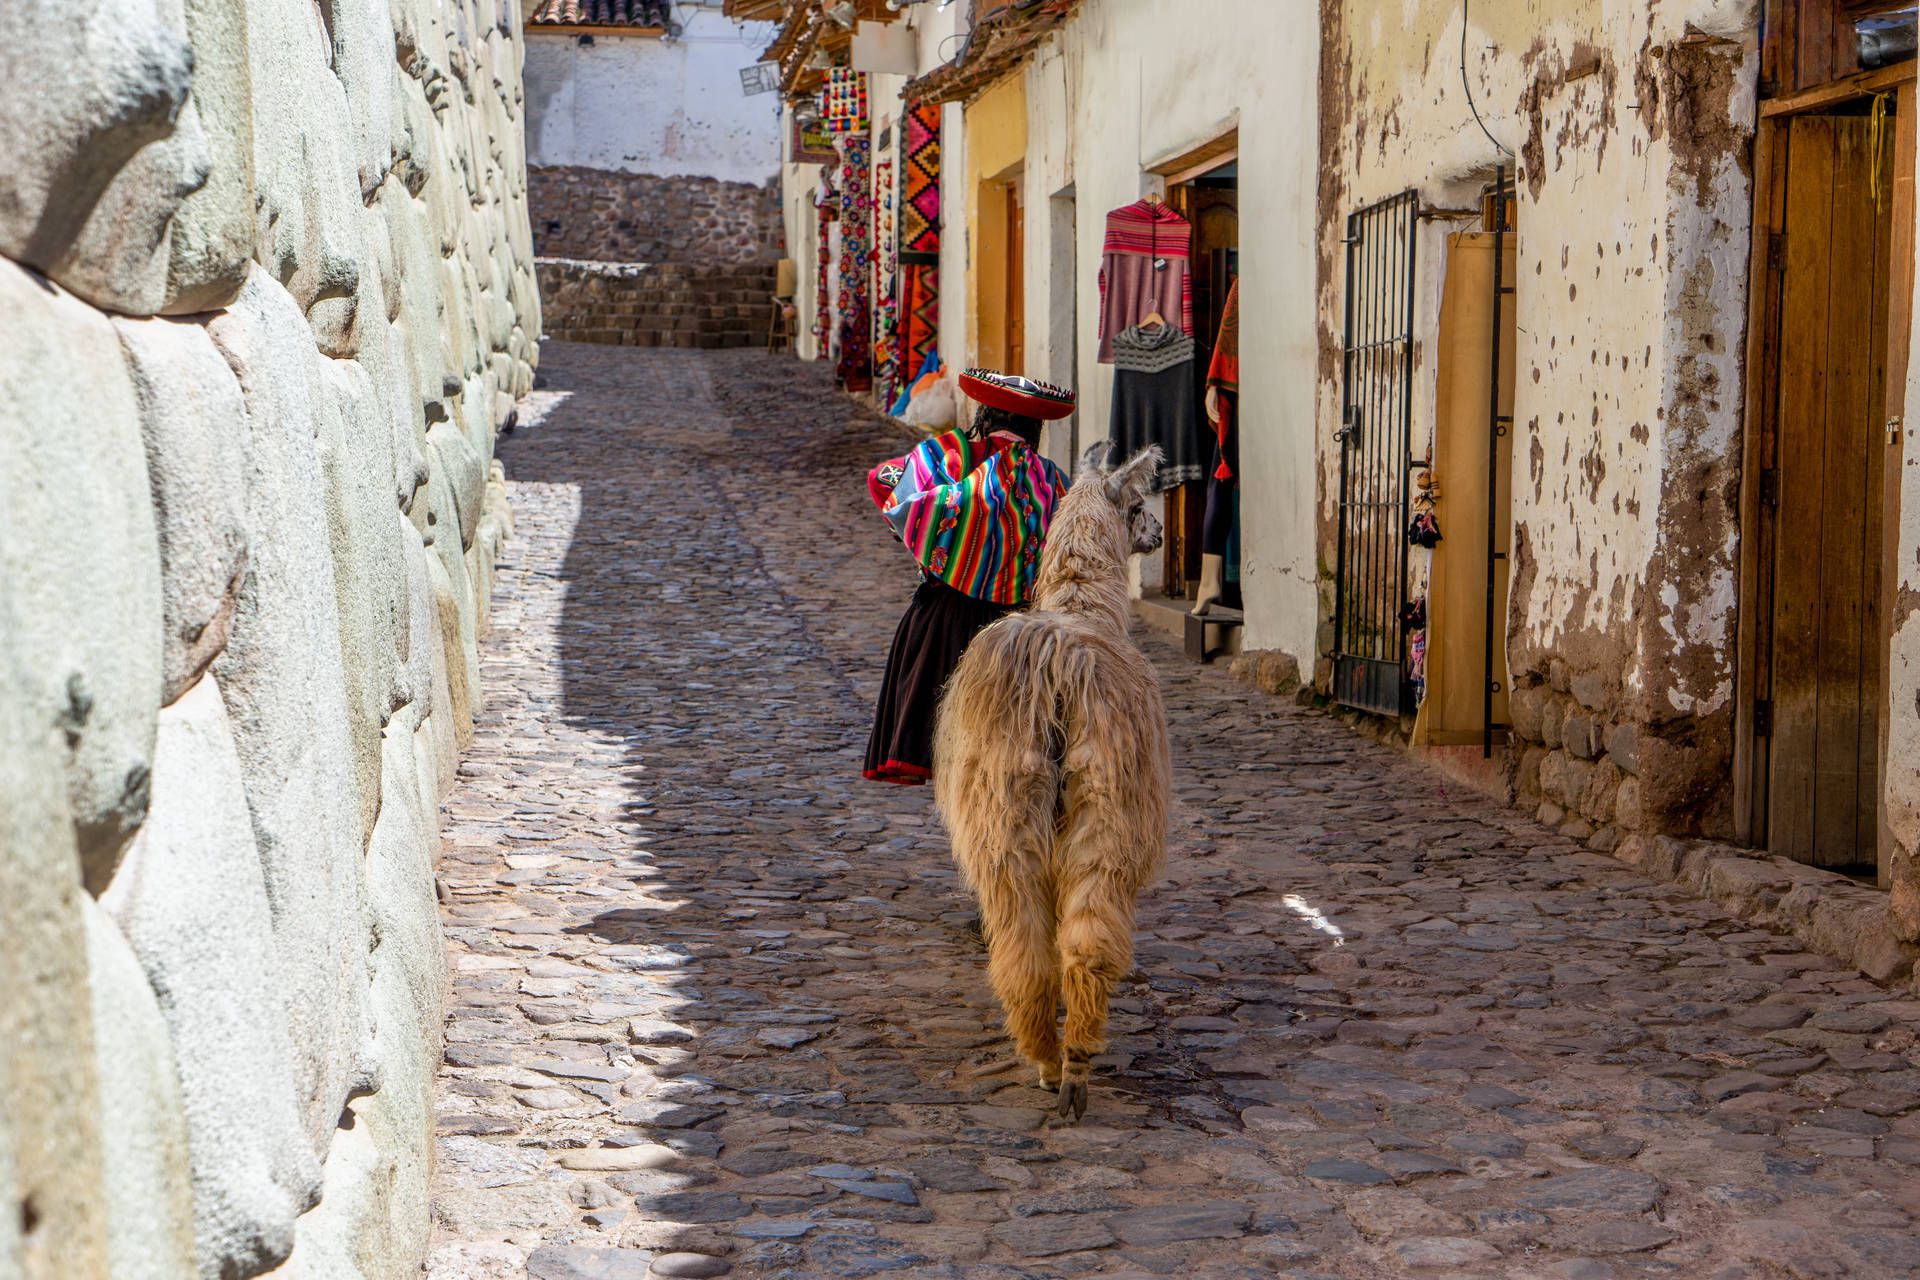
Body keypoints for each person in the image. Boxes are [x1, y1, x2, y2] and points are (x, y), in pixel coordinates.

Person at [863, 369, 1076, 783]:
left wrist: (920, 540)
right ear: (1034, 428)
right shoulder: (1051, 480)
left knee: (945, 747)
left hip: (947, 624)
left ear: (986, 414)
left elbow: (883, 481)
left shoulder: (952, 456)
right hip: (1024, 626)